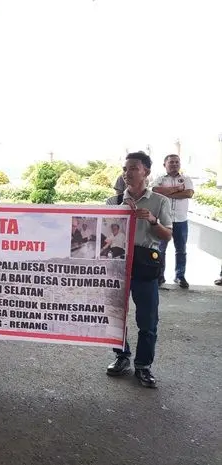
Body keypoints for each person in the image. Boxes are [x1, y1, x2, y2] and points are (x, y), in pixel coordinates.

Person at [105, 151, 172, 388]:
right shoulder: (113, 202)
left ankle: (143, 366)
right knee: (115, 316)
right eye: (125, 169)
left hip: (145, 264)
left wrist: (153, 220)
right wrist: (118, 215)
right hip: (117, 264)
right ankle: (121, 356)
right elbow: (103, 235)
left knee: (147, 319)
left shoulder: (160, 202)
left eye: (133, 168)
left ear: (146, 172)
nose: (127, 173)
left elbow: (167, 235)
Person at [151, 154, 194, 288]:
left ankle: (180, 276)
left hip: (181, 220)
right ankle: (159, 276)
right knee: (160, 249)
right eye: (171, 162)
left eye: (177, 162)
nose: (174, 164)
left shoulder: (186, 179)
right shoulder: (159, 179)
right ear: (165, 165)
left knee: (181, 249)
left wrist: (167, 192)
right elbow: (155, 191)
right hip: (164, 220)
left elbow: (189, 193)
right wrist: (177, 189)